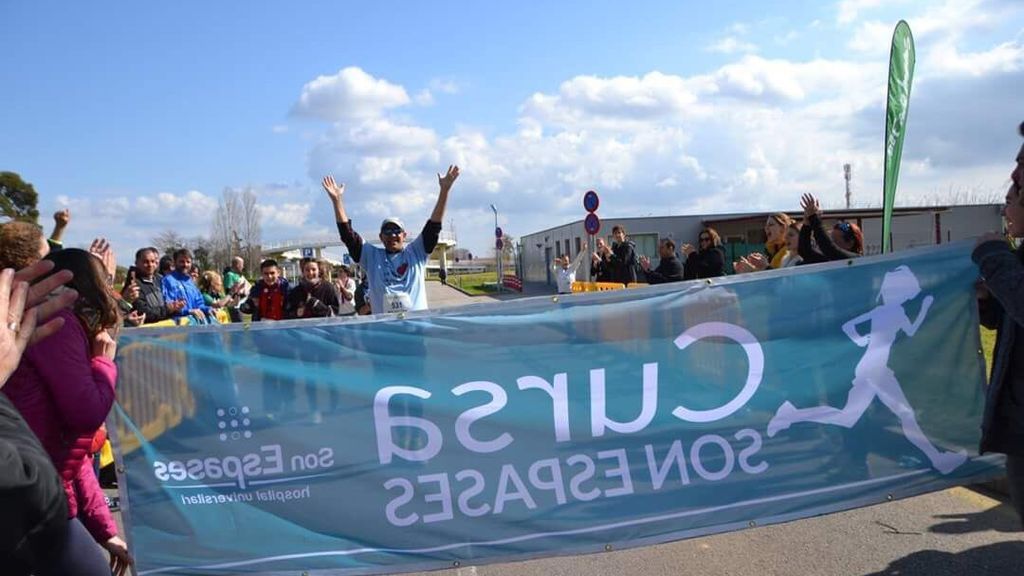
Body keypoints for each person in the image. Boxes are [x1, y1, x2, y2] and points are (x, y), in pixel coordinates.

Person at [3, 248, 134, 574]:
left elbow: (73, 458)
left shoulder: (63, 323)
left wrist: (106, 532)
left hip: (37, 492)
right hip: (22, 499)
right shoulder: (58, 322)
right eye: (106, 280)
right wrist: (105, 363)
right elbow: (86, 413)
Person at [767, 265, 967, 475]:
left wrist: (924, 309)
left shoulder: (890, 310)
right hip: (873, 369)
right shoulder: (889, 311)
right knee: (903, 414)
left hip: (877, 368)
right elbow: (858, 327)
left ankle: (791, 415)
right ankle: (940, 461)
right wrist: (863, 339)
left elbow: (905, 330)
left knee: (851, 416)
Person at [973, 122, 1024, 525]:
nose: (1014, 173)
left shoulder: (1007, 257)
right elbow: (1010, 328)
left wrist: (993, 255)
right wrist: (989, 304)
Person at [322, 165, 460, 314]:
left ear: (404, 235)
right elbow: (348, 236)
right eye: (387, 231)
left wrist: (444, 191)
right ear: (381, 237)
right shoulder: (372, 257)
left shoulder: (417, 253)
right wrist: (337, 201)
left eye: (396, 231)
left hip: (416, 329)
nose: (392, 235)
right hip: (385, 331)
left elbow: (433, 227)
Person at [798, 193, 864, 263]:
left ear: (850, 243)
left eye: (834, 240)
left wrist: (813, 217)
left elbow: (829, 248)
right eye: (830, 239)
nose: (830, 242)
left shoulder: (856, 260)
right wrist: (807, 225)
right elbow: (804, 251)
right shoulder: (830, 260)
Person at [161, 249, 215, 324]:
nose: (185, 265)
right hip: (179, 327)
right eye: (181, 262)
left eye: (188, 262)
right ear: (175, 262)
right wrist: (188, 311)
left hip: (196, 324)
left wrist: (208, 309)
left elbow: (199, 303)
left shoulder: (190, 282)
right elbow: (169, 306)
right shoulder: (167, 281)